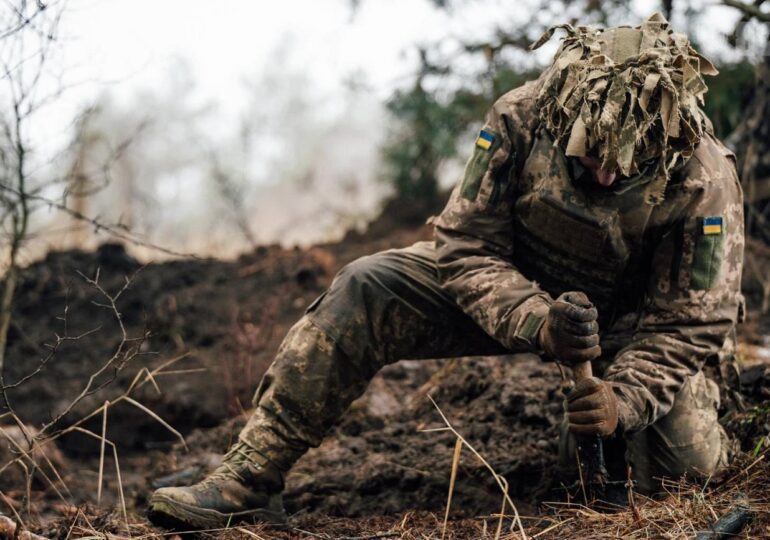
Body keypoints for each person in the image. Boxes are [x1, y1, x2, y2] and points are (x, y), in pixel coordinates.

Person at [148, 13, 744, 529]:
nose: (607, 178)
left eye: (625, 166)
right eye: (590, 158)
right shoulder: (522, 117)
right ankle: (249, 478)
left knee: (679, 472)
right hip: (512, 287)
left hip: (630, 329)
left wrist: (624, 400)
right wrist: (537, 321)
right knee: (367, 285)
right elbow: (462, 244)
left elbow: (688, 324)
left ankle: (647, 428)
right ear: (563, 121)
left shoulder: (701, 176)